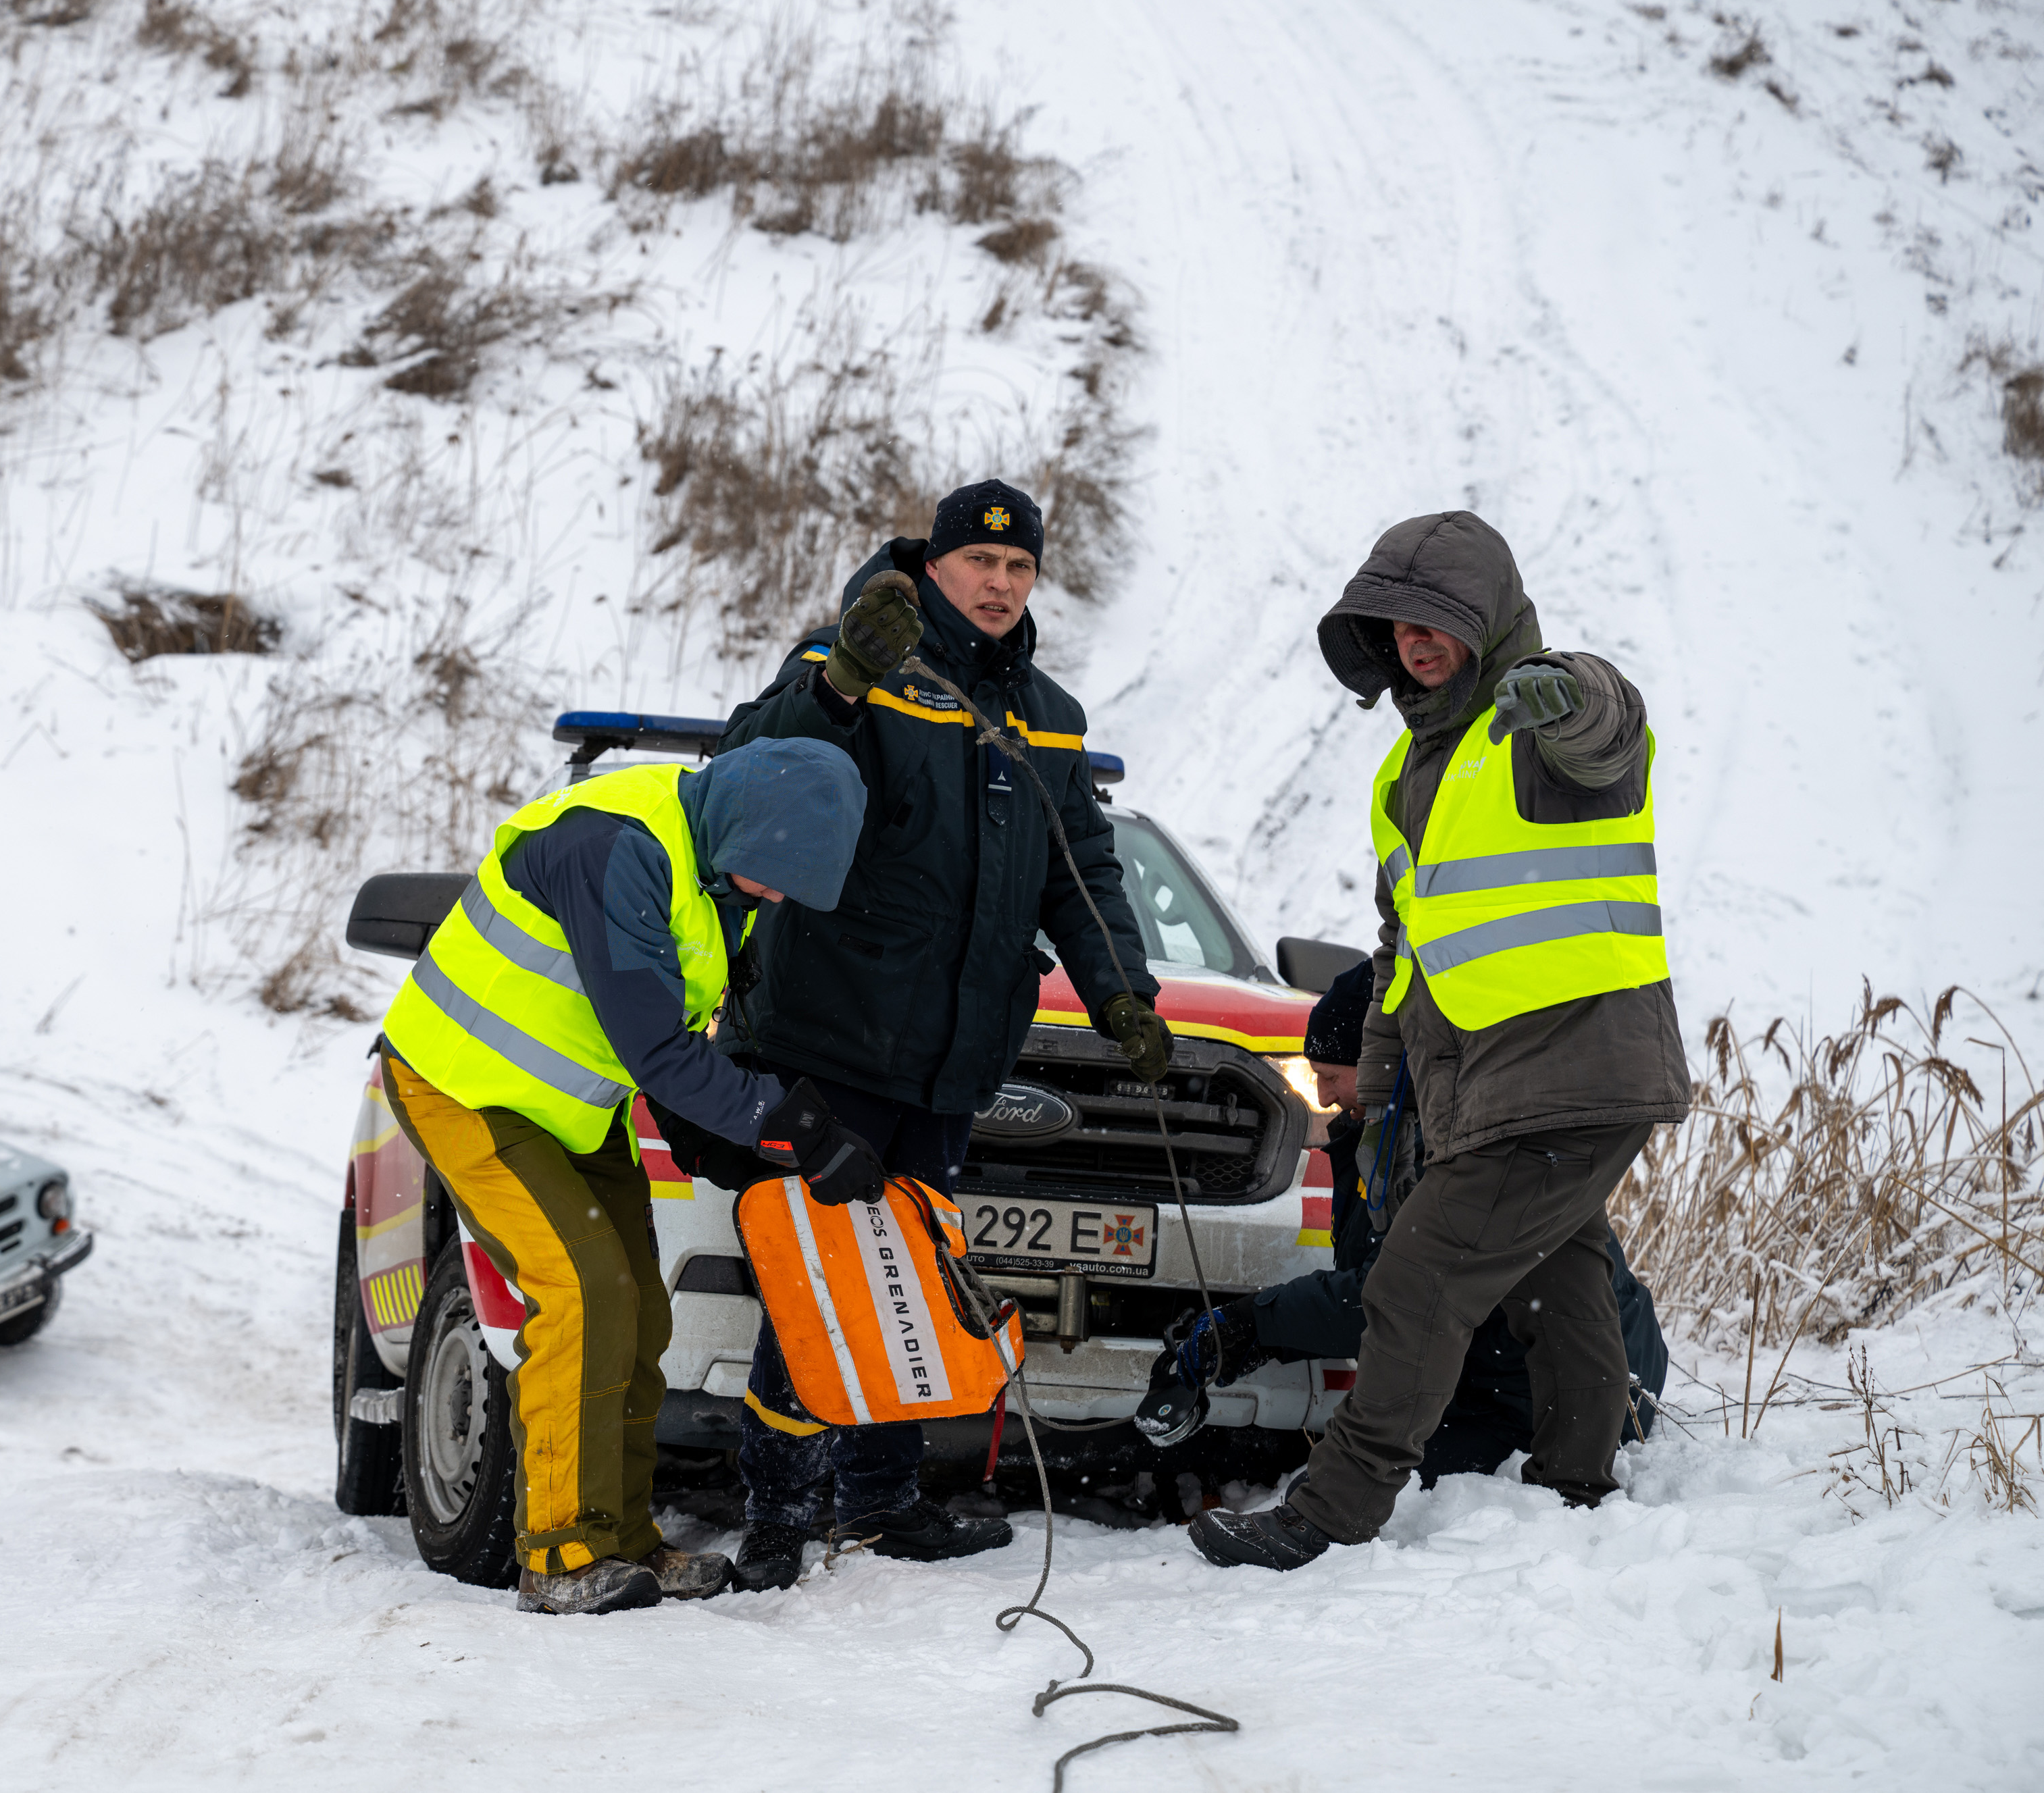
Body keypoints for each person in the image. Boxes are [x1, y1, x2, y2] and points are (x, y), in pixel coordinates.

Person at [1192, 510, 1691, 1571]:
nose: (1415, 644)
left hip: (1573, 1063)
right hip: (1501, 1083)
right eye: (1397, 626)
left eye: (1438, 622)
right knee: (1561, 1275)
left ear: (1491, 620)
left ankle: (1334, 1509)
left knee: (1416, 1281)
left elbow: (1612, 726)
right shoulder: (1407, 771)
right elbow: (1403, 948)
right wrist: (1379, 1084)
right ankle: (1578, 1479)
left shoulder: (1539, 723)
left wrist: (1569, 695)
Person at [704, 479, 1167, 1593]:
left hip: (953, 1054)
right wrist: (842, 684)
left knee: (910, 1274)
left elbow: (1080, 867)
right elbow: (756, 768)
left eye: (1020, 567)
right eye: (979, 564)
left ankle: (882, 1497)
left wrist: (1122, 993)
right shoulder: (857, 660)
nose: (1000, 584)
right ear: (935, 565)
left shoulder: (1049, 713)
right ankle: (778, 1511)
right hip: (833, 1031)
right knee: (823, 1278)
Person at [379, 737, 887, 1615]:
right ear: (745, 826)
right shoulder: (614, 846)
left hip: (567, 1107)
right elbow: (655, 1049)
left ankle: (622, 1537)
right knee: (582, 1292)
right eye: (773, 876)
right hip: (463, 1084)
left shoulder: (716, 879)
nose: (774, 896)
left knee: (639, 1308)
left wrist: (725, 1134)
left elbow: (674, 1028)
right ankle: (559, 1553)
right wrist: (795, 1127)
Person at [1139, 960, 1670, 1478]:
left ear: (1379, 1062)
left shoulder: (1445, 1151)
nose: (1321, 1095)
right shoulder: (1393, 1137)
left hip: (1548, 1399)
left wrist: (1248, 1325)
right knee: (1334, 1470)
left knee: (1343, 1487)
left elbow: (1390, 1295)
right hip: (1526, 1379)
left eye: (1330, 1075)